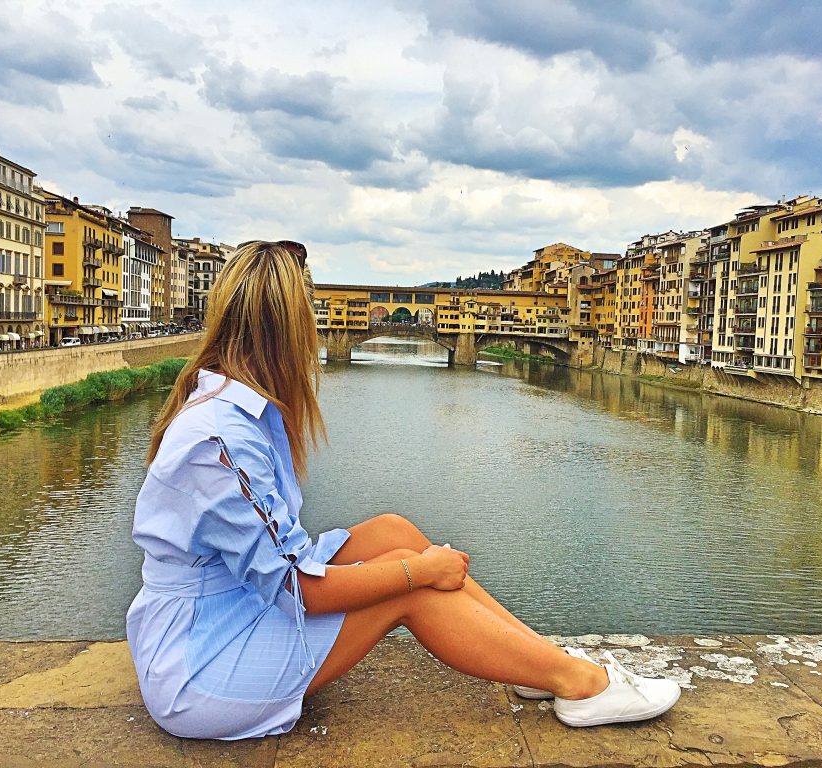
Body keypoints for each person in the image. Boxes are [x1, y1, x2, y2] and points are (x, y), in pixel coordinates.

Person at [126, 240, 680, 741]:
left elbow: (277, 561)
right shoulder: (222, 438)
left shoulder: (234, 408)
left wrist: (415, 559)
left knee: (395, 532)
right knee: (410, 588)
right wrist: (422, 572)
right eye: (313, 317)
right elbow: (299, 588)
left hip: (234, 605)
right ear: (292, 330)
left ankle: (539, 663)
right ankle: (580, 683)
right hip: (201, 666)